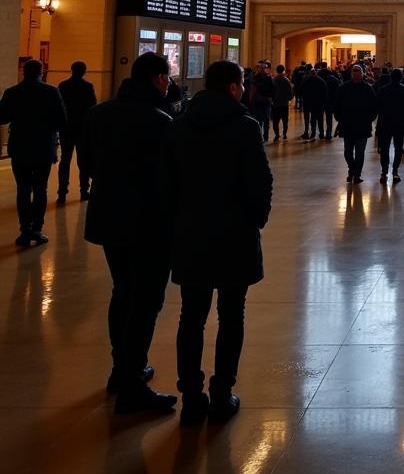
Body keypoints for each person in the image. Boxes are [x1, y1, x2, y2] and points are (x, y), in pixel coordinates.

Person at [162, 60, 273, 426]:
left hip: (191, 232)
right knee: (231, 315)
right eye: (241, 84)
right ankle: (222, 393)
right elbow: (260, 182)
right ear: (232, 88)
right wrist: (255, 219)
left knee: (190, 316)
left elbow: (167, 182)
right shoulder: (245, 127)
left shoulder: (178, 125)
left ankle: (191, 396)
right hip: (234, 234)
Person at [84, 52, 177, 414]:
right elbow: (171, 176)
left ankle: (120, 369)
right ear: (157, 79)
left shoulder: (99, 114)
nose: (168, 83)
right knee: (147, 300)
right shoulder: (160, 121)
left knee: (122, 292)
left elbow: (88, 165)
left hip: (109, 218)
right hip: (149, 223)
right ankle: (132, 383)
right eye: (167, 77)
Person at [0, 58, 66, 247]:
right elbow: (61, 120)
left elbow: (2, 117)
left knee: (23, 189)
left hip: (20, 147)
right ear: (41, 71)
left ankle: (24, 230)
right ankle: (37, 228)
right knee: (40, 188)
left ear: (23, 71)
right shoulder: (52, 92)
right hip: (43, 147)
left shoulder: (12, 92)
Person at [57, 59, 97, 203]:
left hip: (66, 129)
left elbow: (58, 107)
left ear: (71, 70)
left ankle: (62, 191)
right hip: (82, 129)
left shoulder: (63, 86)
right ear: (84, 72)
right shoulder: (88, 87)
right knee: (83, 161)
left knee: (65, 161)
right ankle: (83, 190)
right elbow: (93, 107)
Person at [335, 65, 378, 183]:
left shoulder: (368, 89)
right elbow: (337, 105)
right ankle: (352, 169)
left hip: (362, 126)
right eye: (354, 72)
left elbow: (374, 107)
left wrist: (369, 119)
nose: (356, 74)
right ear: (351, 74)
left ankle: (356, 173)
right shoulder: (344, 88)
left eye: (358, 72)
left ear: (363, 74)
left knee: (359, 152)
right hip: (347, 125)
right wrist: (339, 118)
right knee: (347, 152)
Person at [375, 68, 404, 184]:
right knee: (398, 148)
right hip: (400, 124)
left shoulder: (383, 90)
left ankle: (384, 171)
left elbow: (377, 107)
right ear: (401, 78)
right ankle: (395, 171)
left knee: (384, 149)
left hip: (385, 124)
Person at [300, 64, 327, 140]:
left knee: (313, 119)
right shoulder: (321, 81)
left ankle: (313, 132)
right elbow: (324, 93)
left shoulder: (307, 81)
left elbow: (303, 91)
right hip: (319, 103)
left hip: (310, 102)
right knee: (320, 119)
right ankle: (321, 133)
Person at [270, 64, 293, 141]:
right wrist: (289, 98)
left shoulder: (273, 80)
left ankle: (277, 134)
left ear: (276, 70)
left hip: (276, 104)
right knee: (285, 120)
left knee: (275, 121)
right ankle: (284, 134)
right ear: (284, 70)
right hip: (284, 104)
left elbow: (271, 92)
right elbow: (290, 92)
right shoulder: (286, 80)